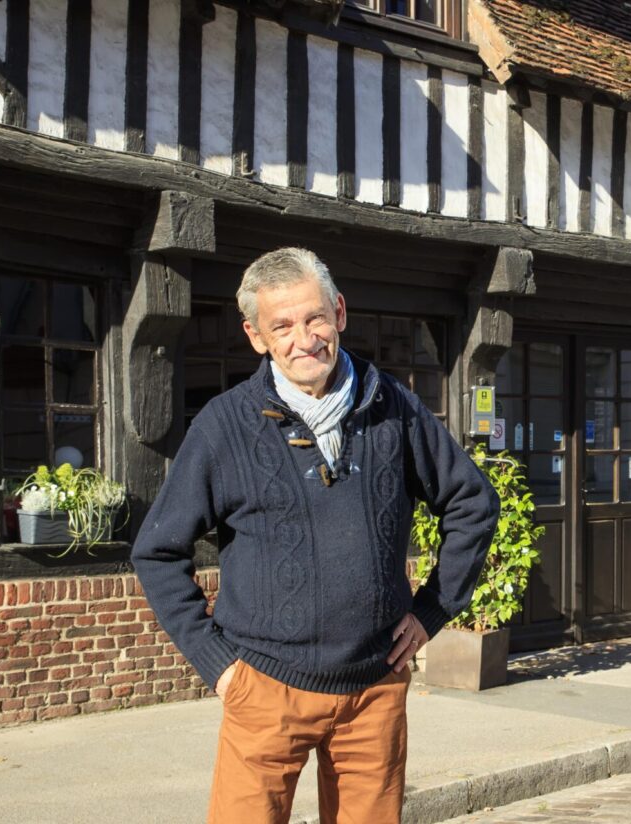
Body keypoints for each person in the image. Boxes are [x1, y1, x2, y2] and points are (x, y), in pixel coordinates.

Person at [132, 247, 498, 824]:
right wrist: (217, 663)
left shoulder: (394, 408)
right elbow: (157, 551)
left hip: (374, 689)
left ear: (340, 313)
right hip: (264, 687)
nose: (304, 338)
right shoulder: (223, 425)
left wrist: (431, 610)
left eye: (314, 318)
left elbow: (472, 503)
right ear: (257, 337)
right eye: (282, 325)